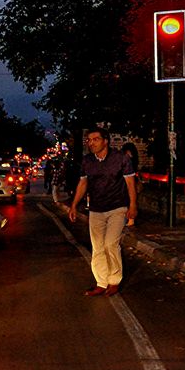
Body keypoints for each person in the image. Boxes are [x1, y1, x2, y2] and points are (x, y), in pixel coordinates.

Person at [68, 127, 137, 297]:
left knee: (110, 244)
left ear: (105, 141)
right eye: (89, 140)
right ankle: (101, 282)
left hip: (117, 207)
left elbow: (130, 184)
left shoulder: (121, 159)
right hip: (96, 209)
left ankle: (114, 281)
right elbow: (83, 184)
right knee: (98, 247)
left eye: (95, 139)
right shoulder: (87, 161)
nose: (91, 143)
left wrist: (133, 206)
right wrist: (74, 205)